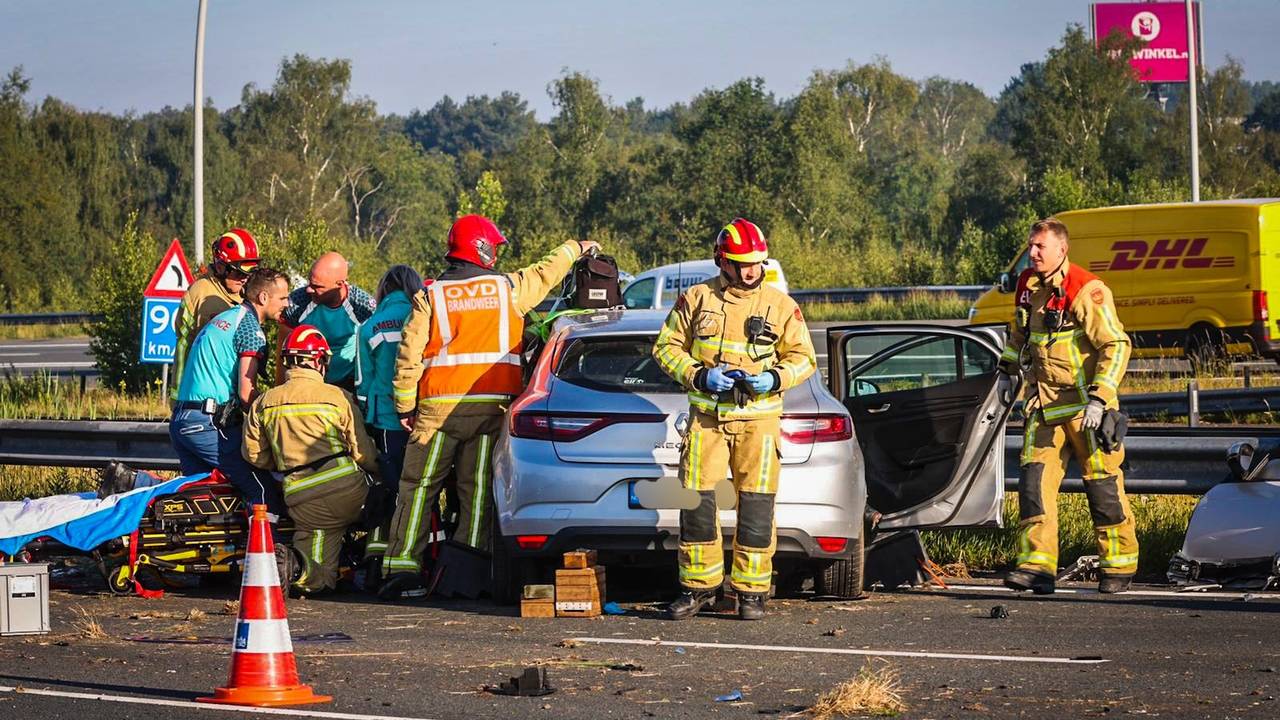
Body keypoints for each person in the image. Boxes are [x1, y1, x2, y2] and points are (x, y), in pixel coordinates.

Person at [377, 214, 599, 599]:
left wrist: (405, 405)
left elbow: (408, 355)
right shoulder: (508, 288)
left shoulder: (430, 295)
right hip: (491, 409)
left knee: (418, 488)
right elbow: (547, 271)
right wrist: (576, 247)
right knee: (476, 490)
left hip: (436, 410)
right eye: (493, 246)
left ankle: (402, 568)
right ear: (482, 249)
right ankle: (468, 569)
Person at [652, 218, 816, 621]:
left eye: (757, 263)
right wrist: (698, 374)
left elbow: (804, 359)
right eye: (743, 263)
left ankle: (752, 593)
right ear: (721, 260)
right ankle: (698, 588)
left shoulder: (780, 305)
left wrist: (774, 378)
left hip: (758, 424)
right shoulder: (695, 298)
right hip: (706, 420)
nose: (751, 271)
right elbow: (665, 347)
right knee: (696, 505)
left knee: (757, 509)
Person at [999, 218, 1137, 595]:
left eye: (1041, 246)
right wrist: (1005, 370)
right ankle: (1037, 566)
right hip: (1043, 407)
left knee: (1103, 489)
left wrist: (1099, 397)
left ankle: (1118, 566)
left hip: (1085, 412)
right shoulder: (1028, 287)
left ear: (1062, 249)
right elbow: (1019, 335)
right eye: (1031, 245)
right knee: (1033, 487)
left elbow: (1116, 345)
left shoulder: (1085, 289)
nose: (1033, 252)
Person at [242, 325, 378, 597]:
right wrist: (383, 474)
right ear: (319, 361)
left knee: (316, 571)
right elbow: (363, 453)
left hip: (301, 498)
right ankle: (374, 567)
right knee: (388, 506)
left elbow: (254, 455)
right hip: (349, 493)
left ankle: (294, 566)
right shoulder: (337, 397)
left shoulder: (265, 402)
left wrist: (282, 462)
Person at [170, 267, 291, 518]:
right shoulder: (250, 330)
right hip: (208, 423)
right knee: (261, 488)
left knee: (204, 499)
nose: (287, 304)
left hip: (183, 420)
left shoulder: (225, 318)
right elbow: (247, 393)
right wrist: (273, 421)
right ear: (263, 298)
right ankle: (273, 553)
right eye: (283, 298)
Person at [355, 264, 423, 578]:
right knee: (422, 487)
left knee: (391, 486)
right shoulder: (423, 316)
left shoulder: (368, 327)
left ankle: (381, 555)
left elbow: (363, 384)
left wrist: (369, 418)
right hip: (422, 415)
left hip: (386, 419)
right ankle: (422, 550)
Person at [171, 228, 261, 400]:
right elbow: (184, 345)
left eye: (250, 272)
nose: (245, 278)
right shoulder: (200, 293)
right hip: (206, 396)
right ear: (220, 266)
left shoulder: (247, 291)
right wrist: (178, 397)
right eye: (239, 272)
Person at [280, 252, 376, 390]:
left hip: (349, 383)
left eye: (317, 287)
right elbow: (283, 352)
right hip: (308, 381)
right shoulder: (298, 302)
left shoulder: (362, 305)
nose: (308, 289)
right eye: (309, 283)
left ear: (339, 284)